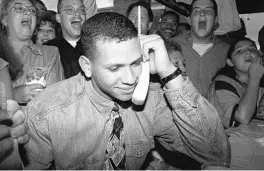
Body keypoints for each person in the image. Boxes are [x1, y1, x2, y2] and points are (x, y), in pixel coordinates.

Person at [23, 12, 230, 170]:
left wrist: (169, 72)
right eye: (115, 68)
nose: (131, 79)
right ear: (87, 66)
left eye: (136, 63)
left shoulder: (153, 99)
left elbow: (216, 153)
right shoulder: (46, 111)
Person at [0, 0, 64, 105]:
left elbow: (56, 102)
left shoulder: (50, 54)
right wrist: (12, 96)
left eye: (32, 10)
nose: (28, 12)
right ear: (5, 19)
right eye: (19, 8)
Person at [170, 0, 230, 97]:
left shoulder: (228, 52)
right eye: (197, 11)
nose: (202, 14)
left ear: (216, 20)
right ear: (189, 20)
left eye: (208, 11)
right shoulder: (169, 46)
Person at [208, 37, 264, 128]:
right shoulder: (222, 83)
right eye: (239, 51)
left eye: (252, 49)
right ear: (230, 62)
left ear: (260, 56)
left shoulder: (260, 82)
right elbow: (242, 117)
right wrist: (254, 78)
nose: (248, 52)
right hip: (224, 139)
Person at [44, 0, 86, 79]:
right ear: (58, 18)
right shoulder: (47, 50)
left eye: (82, 10)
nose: (77, 14)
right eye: (70, 10)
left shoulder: (96, 46)